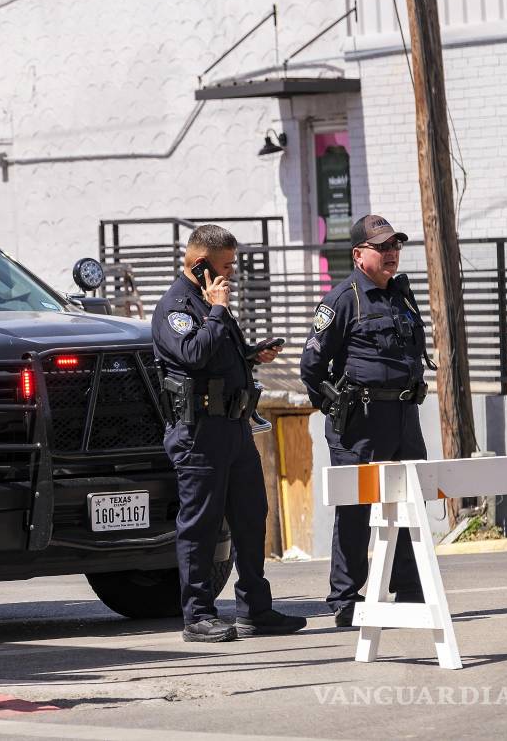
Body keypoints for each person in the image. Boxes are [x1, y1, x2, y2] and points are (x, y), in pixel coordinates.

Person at [152, 224, 307, 642]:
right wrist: (218, 310)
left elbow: (219, 356)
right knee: (201, 525)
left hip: (234, 428)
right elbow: (193, 353)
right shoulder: (175, 307)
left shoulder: (209, 303)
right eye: (226, 266)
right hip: (199, 433)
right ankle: (198, 616)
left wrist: (252, 355)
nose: (232, 274)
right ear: (200, 264)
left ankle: (255, 609)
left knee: (251, 516)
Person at [300, 214, 429, 629]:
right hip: (361, 422)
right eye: (382, 246)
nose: (391, 253)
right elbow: (311, 365)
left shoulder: (400, 295)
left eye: (395, 245)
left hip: (403, 417)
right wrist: (335, 407)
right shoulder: (342, 299)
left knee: (409, 502)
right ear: (359, 255)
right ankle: (346, 598)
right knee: (355, 509)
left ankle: (408, 589)